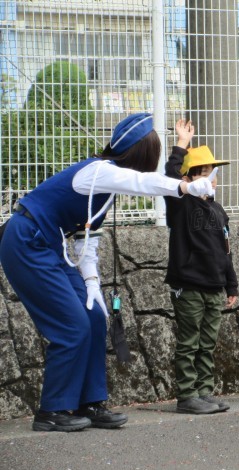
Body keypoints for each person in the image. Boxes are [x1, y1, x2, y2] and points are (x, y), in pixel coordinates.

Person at [0, 113, 217, 432]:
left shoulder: (106, 187)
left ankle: (89, 402)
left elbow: (87, 243)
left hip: (50, 244)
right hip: (26, 240)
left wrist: (92, 285)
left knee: (93, 318)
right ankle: (52, 410)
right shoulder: (99, 172)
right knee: (72, 326)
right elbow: (142, 183)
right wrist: (185, 186)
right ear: (142, 153)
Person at [164, 119, 239, 415]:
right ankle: (187, 394)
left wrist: (231, 285)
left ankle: (204, 391)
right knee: (189, 342)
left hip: (214, 286)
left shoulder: (218, 210)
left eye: (213, 173)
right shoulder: (181, 204)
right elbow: (170, 176)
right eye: (205, 173)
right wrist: (181, 144)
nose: (212, 179)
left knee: (208, 343)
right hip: (189, 285)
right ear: (190, 178)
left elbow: (226, 250)